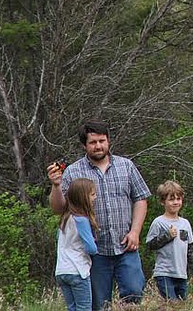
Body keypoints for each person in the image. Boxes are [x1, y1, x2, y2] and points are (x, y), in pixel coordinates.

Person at [48, 121, 150, 310]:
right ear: (84, 145)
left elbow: (141, 199)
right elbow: (59, 208)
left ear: (108, 141)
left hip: (125, 245)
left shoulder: (126, 166)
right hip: (94, 253)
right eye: (93, 142)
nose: (98, 146)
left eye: (102, 141)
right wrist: (55, 186)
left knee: (134, 293)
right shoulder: (73, 171)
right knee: (99, 303)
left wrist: (135, 231)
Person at [144, 180, 193, 300]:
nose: (176, 202)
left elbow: (191, 249)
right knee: (172, 304)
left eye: (178, 199)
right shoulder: (158, 222)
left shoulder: (185, 223)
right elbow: (150, 245)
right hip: (164, 273)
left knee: (182, 305)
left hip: (182, 274)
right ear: (163, 201)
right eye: (171, 199)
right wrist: (167, 236)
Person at [54, 178, 98, 311]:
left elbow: (60, 240)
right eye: (92, 194)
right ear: (83, 197)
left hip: (61, 270)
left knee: (71, 307)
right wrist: (94, 243)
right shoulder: (82, 220)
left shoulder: (64, 219)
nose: (95, 197)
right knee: (84, 308)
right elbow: (91, 248)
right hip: (78, 270)